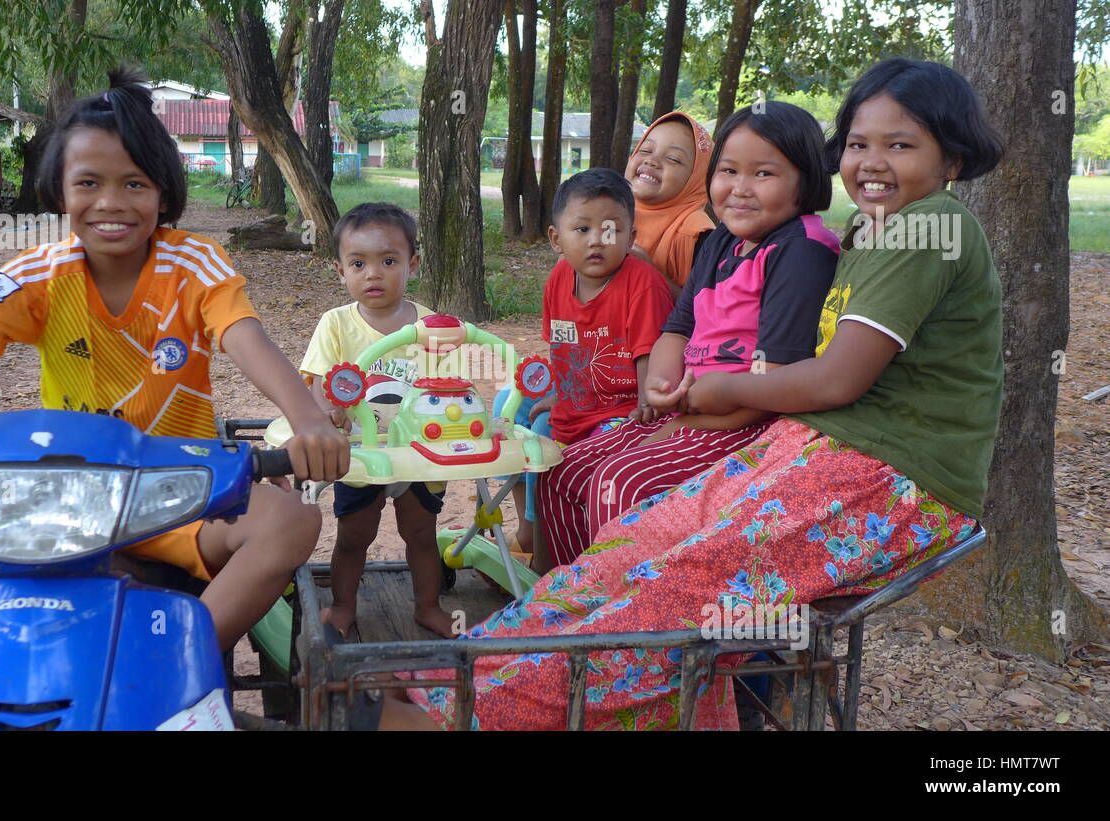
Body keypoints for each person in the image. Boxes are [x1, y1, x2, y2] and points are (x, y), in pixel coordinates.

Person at [383, 57, 1004, 730]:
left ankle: (470, 712)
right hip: (811, 447)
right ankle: (461, 674)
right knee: (625, 554)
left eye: (900, 144)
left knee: (676, 597)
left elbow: (835, 378)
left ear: (953, 159)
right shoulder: (873, 229)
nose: (872, 162)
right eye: (858, 143)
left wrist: (710, 389)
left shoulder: (926, 225)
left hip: (892, 477)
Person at [0, 68, 349, 653]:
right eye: (88, 183)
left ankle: (175, 668)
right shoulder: (36, 275)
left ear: (164, 193)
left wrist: (308, 420)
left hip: (177, 493)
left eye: (134, 184)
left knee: (291, 521)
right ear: (60, 191)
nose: (110, 203)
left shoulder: (195, 264)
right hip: (59, 495)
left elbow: (246, 337)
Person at [537, 101, 840, 568]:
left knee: (620, 483)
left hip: (742, 423)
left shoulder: (800, 250)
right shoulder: (721, 241)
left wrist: (685, 420)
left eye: (763, 174)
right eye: (728, 171)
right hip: (687, 404)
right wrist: (659, 384)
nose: (740, 189)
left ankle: (623, 625)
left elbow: (774, 384)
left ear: (806, 178)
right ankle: (559, 600)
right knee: (562, 471)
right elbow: (678, 329)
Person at [299, 202, 456, 639]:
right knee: (354, 534)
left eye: (388, 261)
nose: (373, 274)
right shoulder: (335, 324)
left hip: (418, 453)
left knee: (421, 534)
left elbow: (446, 387)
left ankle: (428, 606)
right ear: (340, 270)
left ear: (413, 264)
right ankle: (345, 605)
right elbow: (318, 379)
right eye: (358, 263)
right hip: (362, 454)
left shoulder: (432, 327)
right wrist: (327, 411)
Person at [507, 168, 673, 570]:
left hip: (620, 410)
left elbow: (649, 351)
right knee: (505, 412)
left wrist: (647, 400)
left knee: (549, 452)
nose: (597, 240)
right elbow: (562, 346)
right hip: (576, 398)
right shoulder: (558, 279)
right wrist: (557, 392)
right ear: (556, 239)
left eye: (611, 230)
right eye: (582, 229)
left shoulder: (642, 284)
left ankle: (553, 564)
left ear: (632, 238)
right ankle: (525, 524)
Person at [624, 111, 716, 292]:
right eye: (645, 150)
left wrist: (649, 271)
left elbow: (705, 311)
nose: (652, 161)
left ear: (697, 177)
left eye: (673, 159)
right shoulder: (606, 211)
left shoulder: (699, 237)